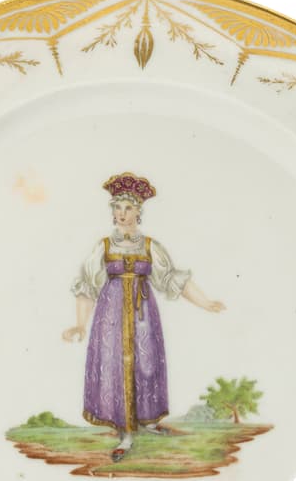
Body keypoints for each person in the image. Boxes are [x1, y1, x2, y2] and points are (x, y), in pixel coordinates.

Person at [63, 172, 225, 462]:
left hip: (143, 315)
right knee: (113, 365)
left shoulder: (150, 246)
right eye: (117, 207)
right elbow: (87, 286)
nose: (121, 213)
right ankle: (124, 432)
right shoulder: (103, 246)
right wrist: (79, 324)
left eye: (128, 208)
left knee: (146, 364)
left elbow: (173, 279)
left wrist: (205, 302)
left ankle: (145, 421)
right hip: (110, 316)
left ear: (138, 211)